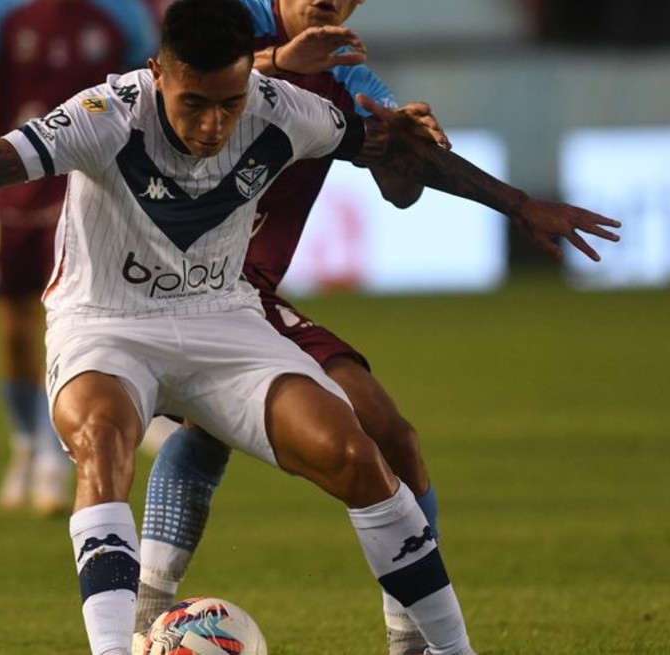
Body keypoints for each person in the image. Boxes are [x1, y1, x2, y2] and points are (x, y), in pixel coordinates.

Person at [0, 2, 621, 654]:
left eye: (230, 105)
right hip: (105, 325)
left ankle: (450, 649)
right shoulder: (105, 113)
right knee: (105, 440)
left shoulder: (280, 107)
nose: (212, 125)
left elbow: (393, 154)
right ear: (158, 75)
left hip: (224, 317)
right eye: (194, 103)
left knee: (355, 453)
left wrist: (517, 202)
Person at [133, 1, 454, 653]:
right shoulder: (226, 18)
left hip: (244, 291)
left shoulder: (349, 76)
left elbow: (400, 190)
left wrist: (410, 145)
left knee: (214, 432)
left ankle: (144, 621)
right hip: (171, 278)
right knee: (380, 431)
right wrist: (278, 61)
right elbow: (156, 88)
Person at [0, 0, 157, 515]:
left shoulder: (123, 14)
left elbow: (155, 87)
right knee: (14, 330)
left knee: (66, 326)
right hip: (13, 191)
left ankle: (56, 458)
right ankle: (26, 445)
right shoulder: (1, 12)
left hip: (87, 192)